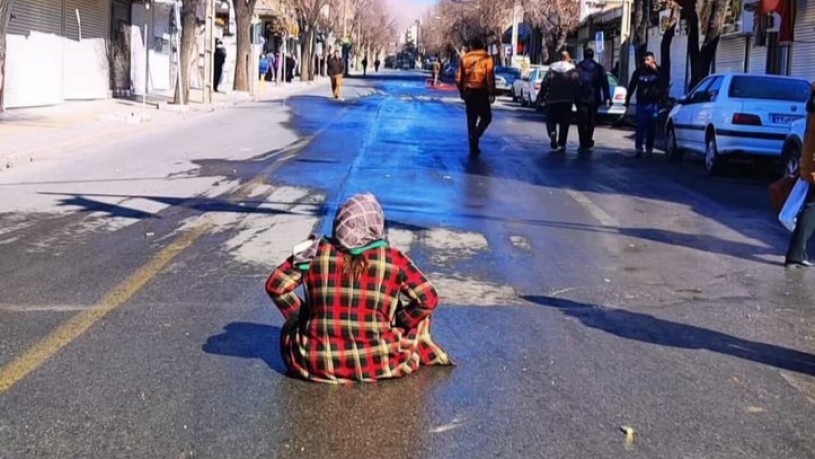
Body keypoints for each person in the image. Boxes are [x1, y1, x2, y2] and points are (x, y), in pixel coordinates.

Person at [266, 193, 453, 383]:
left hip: (313, 363)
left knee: (291, 327)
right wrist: (400, 320)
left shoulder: (313, 251)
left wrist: (304, 316)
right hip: (379, 362)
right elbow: (428, 299)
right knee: (422, 316)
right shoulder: (393, 259)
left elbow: (276, 286)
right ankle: (399, 349)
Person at [786, 85, 815, 268]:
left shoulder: (812, 101)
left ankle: (797, 252)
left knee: (811, 206)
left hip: (810, 159)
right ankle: (796, 253)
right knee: (811, 207)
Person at [456, 37, 495, 156]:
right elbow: (490, 77)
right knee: (486, 117)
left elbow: (458, 78)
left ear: (471, 46)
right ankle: (476, 135)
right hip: (481, 91)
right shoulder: (487, 58)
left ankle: (473, 145)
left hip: (469, 92)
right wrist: (492, 92)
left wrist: (461, 91)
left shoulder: (465, 58)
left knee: (471, 120)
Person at [625, 52, 665, 158]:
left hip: (654, 103)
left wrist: (655, 70)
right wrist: (627, 98)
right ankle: (639, 148)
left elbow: (663, 84)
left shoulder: (658, 71)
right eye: (644, 60)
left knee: (652, 127)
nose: (645, 62)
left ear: (653, 60)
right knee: (640, 126)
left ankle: (649, 148)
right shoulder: (639, 72)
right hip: (642, 103)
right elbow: (632, 85)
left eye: (648, 60)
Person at [540, 49, 580, 153]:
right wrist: (576, 99)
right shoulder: (572, 70)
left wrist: (542, 96)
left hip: (552, 99)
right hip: (567, 100)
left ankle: (552, 132)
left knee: (551, 119)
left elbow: (544, 83)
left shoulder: (552, 68)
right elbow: (576, 85)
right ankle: (562, 143)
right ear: (568, 58)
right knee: (564, 122)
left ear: (559, 58)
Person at [575, 48, 612, 153]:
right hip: (594, 98)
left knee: (581, 121)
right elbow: (605, 84)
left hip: (581, 98)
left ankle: (582, 141)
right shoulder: (599, 68)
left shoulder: (578, 68)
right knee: (591, 120)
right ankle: (588, 140)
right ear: (592, 56)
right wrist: (607, 97)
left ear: (584, 55)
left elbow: (573, 82)